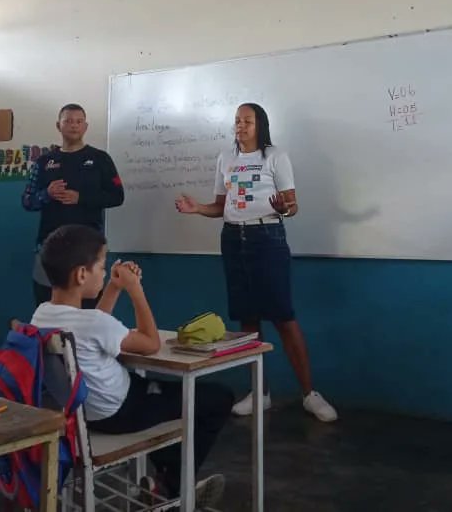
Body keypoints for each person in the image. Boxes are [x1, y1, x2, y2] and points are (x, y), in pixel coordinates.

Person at [30, 225, 232, 506]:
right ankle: (173, 486)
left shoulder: (41, 315)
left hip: (80, 412)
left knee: (162, 396)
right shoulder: (93, 324)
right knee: (219, 397)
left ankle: (164, 478)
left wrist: (113, 287)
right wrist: (135, 289)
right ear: (81, 275)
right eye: (102, 267)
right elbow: (150, 343)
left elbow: (95, 325)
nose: (104, 273)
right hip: (119, 411)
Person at [175, 102, 338, 422]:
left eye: (247, 121)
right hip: (233, 238)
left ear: (260, 124)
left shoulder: (275, 156)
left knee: (283, 316)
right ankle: (259, 393)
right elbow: (221, 206)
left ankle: (309, 394)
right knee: (247, 318)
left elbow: (292, 206)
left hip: (267, 237)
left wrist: (282, 207)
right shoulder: (226, 158)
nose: (240, 126)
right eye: (237, 121)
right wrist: (198, 209)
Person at [22, 103, 125, 307]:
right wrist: (46, 194)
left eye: (79, 121)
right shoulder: (44, 162)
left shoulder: (100, 159)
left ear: (85, 126)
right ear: (58, 125)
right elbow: (27, 201)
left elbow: (117, 196)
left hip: (88, 249)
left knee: (88, 311)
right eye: (68, 121)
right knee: (48, 308)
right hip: (49, 248)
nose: (74, 125)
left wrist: (81, 198)